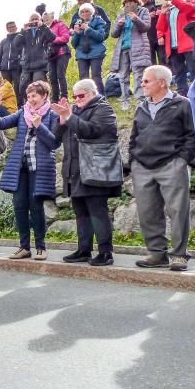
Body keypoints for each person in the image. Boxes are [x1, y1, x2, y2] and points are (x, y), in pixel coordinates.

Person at [129, 66, 195, 271]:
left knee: (178, 211)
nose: (142, 84)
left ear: (162, 82)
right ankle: (157, 254)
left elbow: (192, 135)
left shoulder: (183, 104)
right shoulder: (141, 107)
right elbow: (134, 136)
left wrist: (182, 159)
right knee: (147, 212)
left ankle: (179, 255)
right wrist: (133, 159)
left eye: (146, 81)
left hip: (171, 165)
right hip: (142, 166)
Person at [52, 79, 119, 266]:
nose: (77, 99)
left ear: (92, 93)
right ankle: (84, 250)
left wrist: (70, 116)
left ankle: (106, 252)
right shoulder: (75, 111)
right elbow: (55, 139)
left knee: (98, 211)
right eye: (75, 96)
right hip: (75, 169)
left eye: (81, 95)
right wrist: (62, 119)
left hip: (94, 169)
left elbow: (92, 131)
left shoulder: (103, 109)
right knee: (81, 212)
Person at [0, 81, 60, 260]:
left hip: (40, 168)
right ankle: (24, 247)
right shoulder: (23, 112)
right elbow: (2, 124)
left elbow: (54, 143)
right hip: (20, 168)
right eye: (29, 96)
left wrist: (39, 126)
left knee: (36, 207)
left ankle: (41, 247)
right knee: (19, 205)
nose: (31, 99)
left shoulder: (52, 115)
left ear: (44, 96)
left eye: (35, 95)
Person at [157, 0, 195, 95]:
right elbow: (160, 27)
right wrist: (163, 14)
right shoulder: (170, 9)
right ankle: (183, 96)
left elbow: (191, 10)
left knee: (194, 71)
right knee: (178, 73)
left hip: (189, 44)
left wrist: (173, 0)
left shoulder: (191, 2)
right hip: (173, 46)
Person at [110, 0, 152, 110]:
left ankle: (140, 100)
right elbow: (113, 34)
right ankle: (125, 101)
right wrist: (119, 25)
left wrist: (136, 19)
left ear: (137, 2)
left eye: (132, 2)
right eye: (127, 3)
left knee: (139, 74)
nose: (129, 4)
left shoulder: (143, 11)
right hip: (123, 48)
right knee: (123, 76)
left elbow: (146, 27)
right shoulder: (121, 15)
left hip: (139, 48)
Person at [15, 12, 56, 100]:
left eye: (36, 19)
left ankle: (42, 103)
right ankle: (28, 104)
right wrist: (23, 30)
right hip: (26, 65)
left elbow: (52, 37)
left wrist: (44, 27)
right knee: (23, 87)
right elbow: (16, 43)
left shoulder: (43, 29)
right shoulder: (25, 31)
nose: (34, 21)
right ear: (29, 21)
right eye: (32, 19)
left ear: (40, 20)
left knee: (39, 86)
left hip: (40, 65)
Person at [71, 3, 107, 95]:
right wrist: (77, 33)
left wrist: (88, 29)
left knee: (96, 76)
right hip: (81, 54)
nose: (84, 13)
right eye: (82, 12)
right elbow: (74, 44)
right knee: (83, 78)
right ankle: (86, 98)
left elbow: (101, 37)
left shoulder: (99, 21)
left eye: (87, 11)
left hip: (96, 52)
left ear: (91, 12)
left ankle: (100, 98)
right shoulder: (78, 23)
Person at [42, 11, 71, 102]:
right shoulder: (43, 29)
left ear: (52, 18)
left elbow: (65, 38)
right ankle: (55, 98)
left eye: (47, 19)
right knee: (52, 77)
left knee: (61, 74)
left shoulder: (60, 25)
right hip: (51, 55)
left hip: (62, 52)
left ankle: (64, 97)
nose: (46, 21)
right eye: (44, 20)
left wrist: (53, 39)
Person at [0, 21, 22, 107]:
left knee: (18, 88)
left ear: (16, 27)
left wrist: (20, 63)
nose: (11, 28)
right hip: (4, 69)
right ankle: (6, 107)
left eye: (13, 26)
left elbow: (23, 52)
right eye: (10, 27)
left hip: (17, 68)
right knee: (5, 89)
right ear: (7, 29)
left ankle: (19, 106)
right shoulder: (3, 41)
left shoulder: (20, 38)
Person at [140, 0, 167, 67]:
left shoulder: (158, 2)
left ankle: (166, 78)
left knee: (163, 59)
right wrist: (148, 16)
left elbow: (168, 11)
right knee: (151, 61)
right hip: (147, 38)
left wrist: (162, 12)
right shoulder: (140, 9)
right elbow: (136, 22)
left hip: (160, 36)